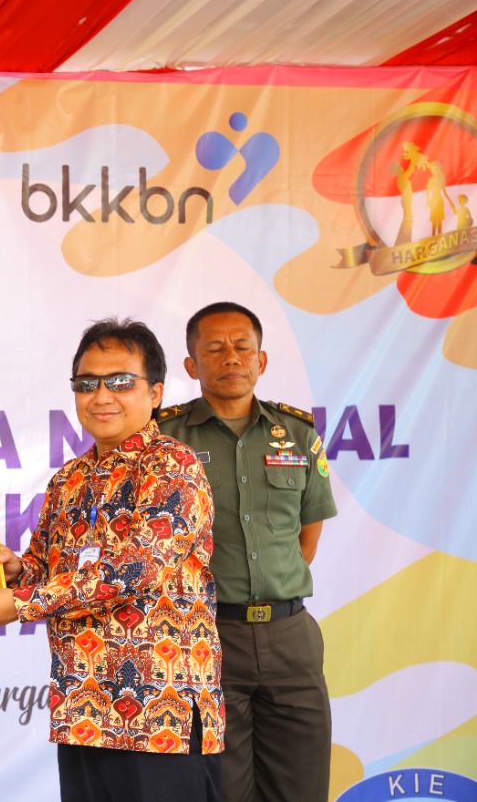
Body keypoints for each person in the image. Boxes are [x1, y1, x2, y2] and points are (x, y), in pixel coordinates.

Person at [0, 317, 223, 802]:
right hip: (83, 710)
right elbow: (45, 568)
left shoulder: (173, 465)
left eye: (120, 381)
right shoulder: (69, 478)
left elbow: (135, 570)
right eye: (86, 384)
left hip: (158, 718)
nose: (101, 396)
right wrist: (13, 570)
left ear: (156, 392)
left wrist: (21, 603)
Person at [158, 302, 336, 802]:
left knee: (301, 788)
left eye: (243, 347)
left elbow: (307, 539)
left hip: (291, 637)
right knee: (223, 789)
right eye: (215, 348)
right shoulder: (163, 438)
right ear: (192, 364)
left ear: (262, 360)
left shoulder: (297, 433)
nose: (231, 357)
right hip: (206, 638)